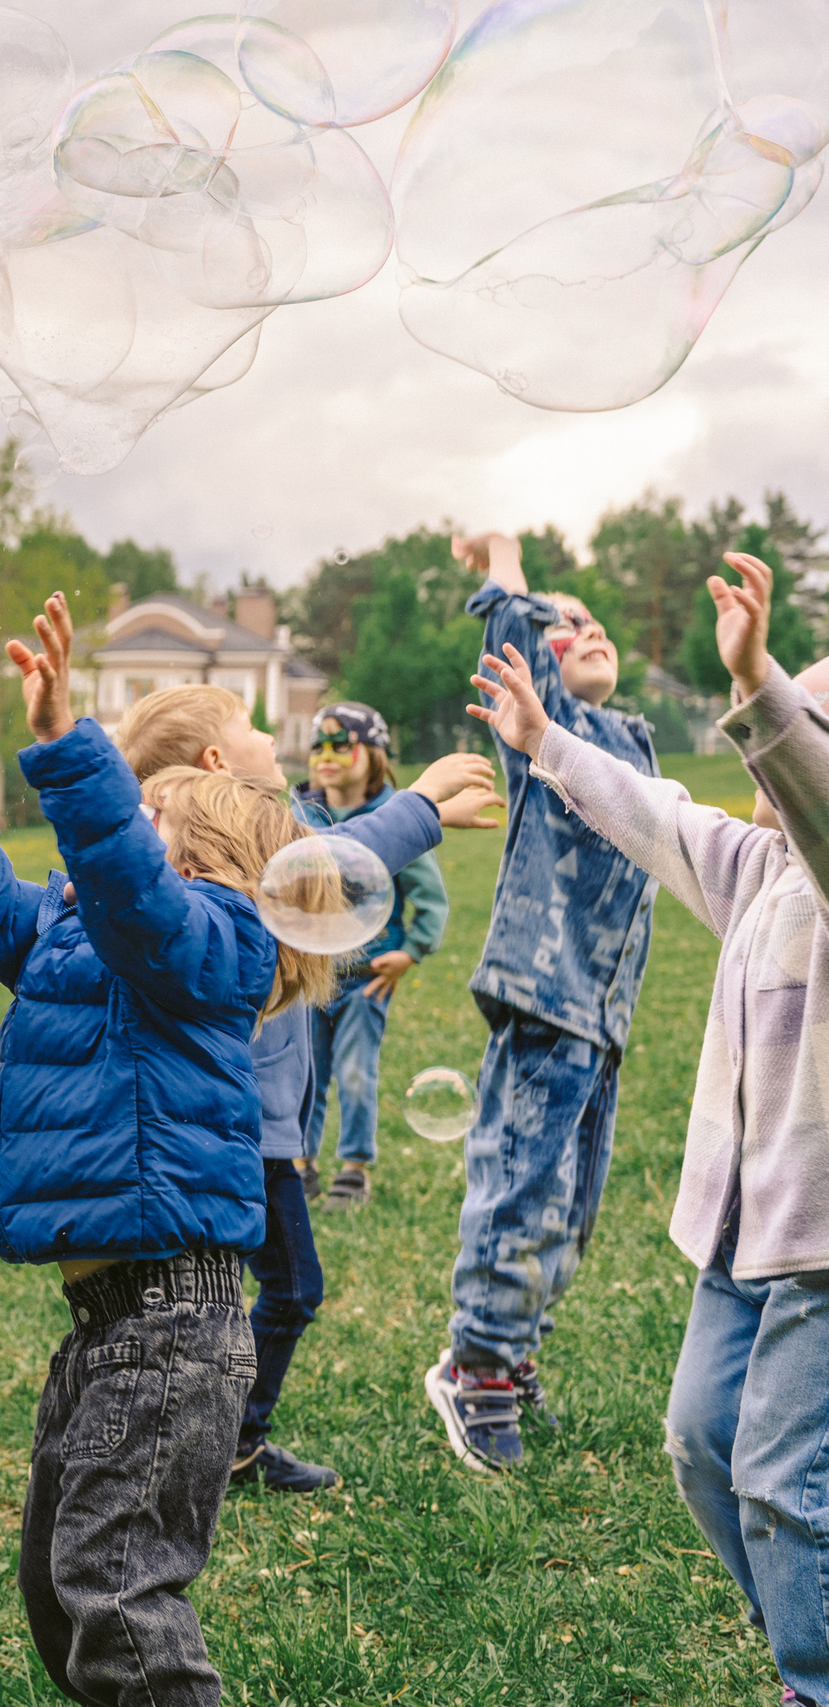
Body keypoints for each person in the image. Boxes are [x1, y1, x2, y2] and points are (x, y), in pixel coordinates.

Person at [0, 593, 331, 1706]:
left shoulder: (216, 941)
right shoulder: (92, 933)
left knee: (117, 1592)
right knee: (60, 1586)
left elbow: (137, 896)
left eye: (147, 815)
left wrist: (64, 744)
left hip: (173, 1325)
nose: (124, 826)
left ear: (208, 856)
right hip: (108, 1326)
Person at [469, 552, 829, 1705]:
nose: (767, 759)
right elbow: (654, 814)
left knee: (782, 1478)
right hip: (737, 1235)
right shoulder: (760, 873)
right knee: (701, 1445)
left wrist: (758, 682)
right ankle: (804, 1631)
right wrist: (544, 739)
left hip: (821, 1248)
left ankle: (812, 1678)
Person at [64, 682, 499, 1496]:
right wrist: (420, 807)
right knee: (282, 1291)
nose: (273, 736)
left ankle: (206, 1435)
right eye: (253, 726)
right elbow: (325, 859)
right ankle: (227, 1440)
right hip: (241, 1130)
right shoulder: (215, 868)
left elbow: (322, 850)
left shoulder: (214, 854)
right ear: (217, 760)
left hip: (250, 1129)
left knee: (212, 1302)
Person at [428, 531, 660, 1474]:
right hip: (545, 989)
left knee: (572, 1201)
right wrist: (508, 563)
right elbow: (510, 642)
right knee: (523, 1183)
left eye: (594, 620)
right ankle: (475, 1365)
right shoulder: (547, 726)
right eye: (564, 625)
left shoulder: (630, 741)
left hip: (602, 1012)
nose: (588, 628)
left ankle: (517, 1345)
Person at [296, 703, 452, 1208]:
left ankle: (354, 1168)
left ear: (375, 754)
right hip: (309, 977)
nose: (326, 756)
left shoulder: (393, 821)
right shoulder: (298, 818)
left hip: (366, 978)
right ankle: (301, 1165)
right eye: (318, 746)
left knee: (356, 1073)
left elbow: (430, 899)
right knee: (306, 1075)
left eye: (341, 745)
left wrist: (410, 952)